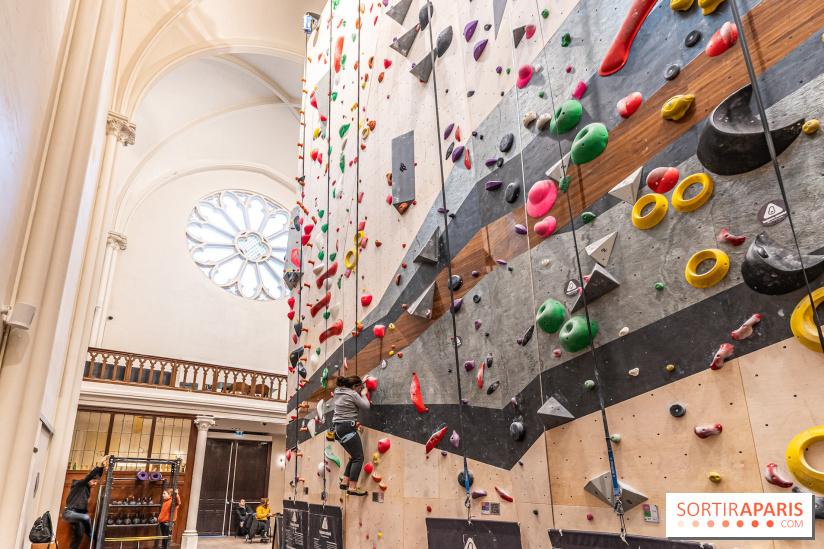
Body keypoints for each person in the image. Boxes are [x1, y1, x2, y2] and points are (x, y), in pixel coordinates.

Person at [333, 375, 370, 496]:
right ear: (354, 386)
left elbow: (352, 389)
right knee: (359, 458)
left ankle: (345, 482)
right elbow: (366, 406)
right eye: (359, 387)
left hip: (337, 429)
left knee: (355, 456)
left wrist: (361, 383)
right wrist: (363, 393)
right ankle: (352, 488)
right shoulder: (353, 394)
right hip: (348, 428)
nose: (360, 389)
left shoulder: (338, 392)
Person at [62, 455, 109, 549]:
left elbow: (94, 476)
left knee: (78, 537)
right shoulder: (78, 485)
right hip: (69, 513)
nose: (95, 484)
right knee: (86, 518)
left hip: (78, 515)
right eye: (94, 481)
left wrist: (102, 469)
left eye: (96, 482)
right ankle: (92, 536)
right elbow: (89, 476)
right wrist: (100, 464)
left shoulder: (86, 489)